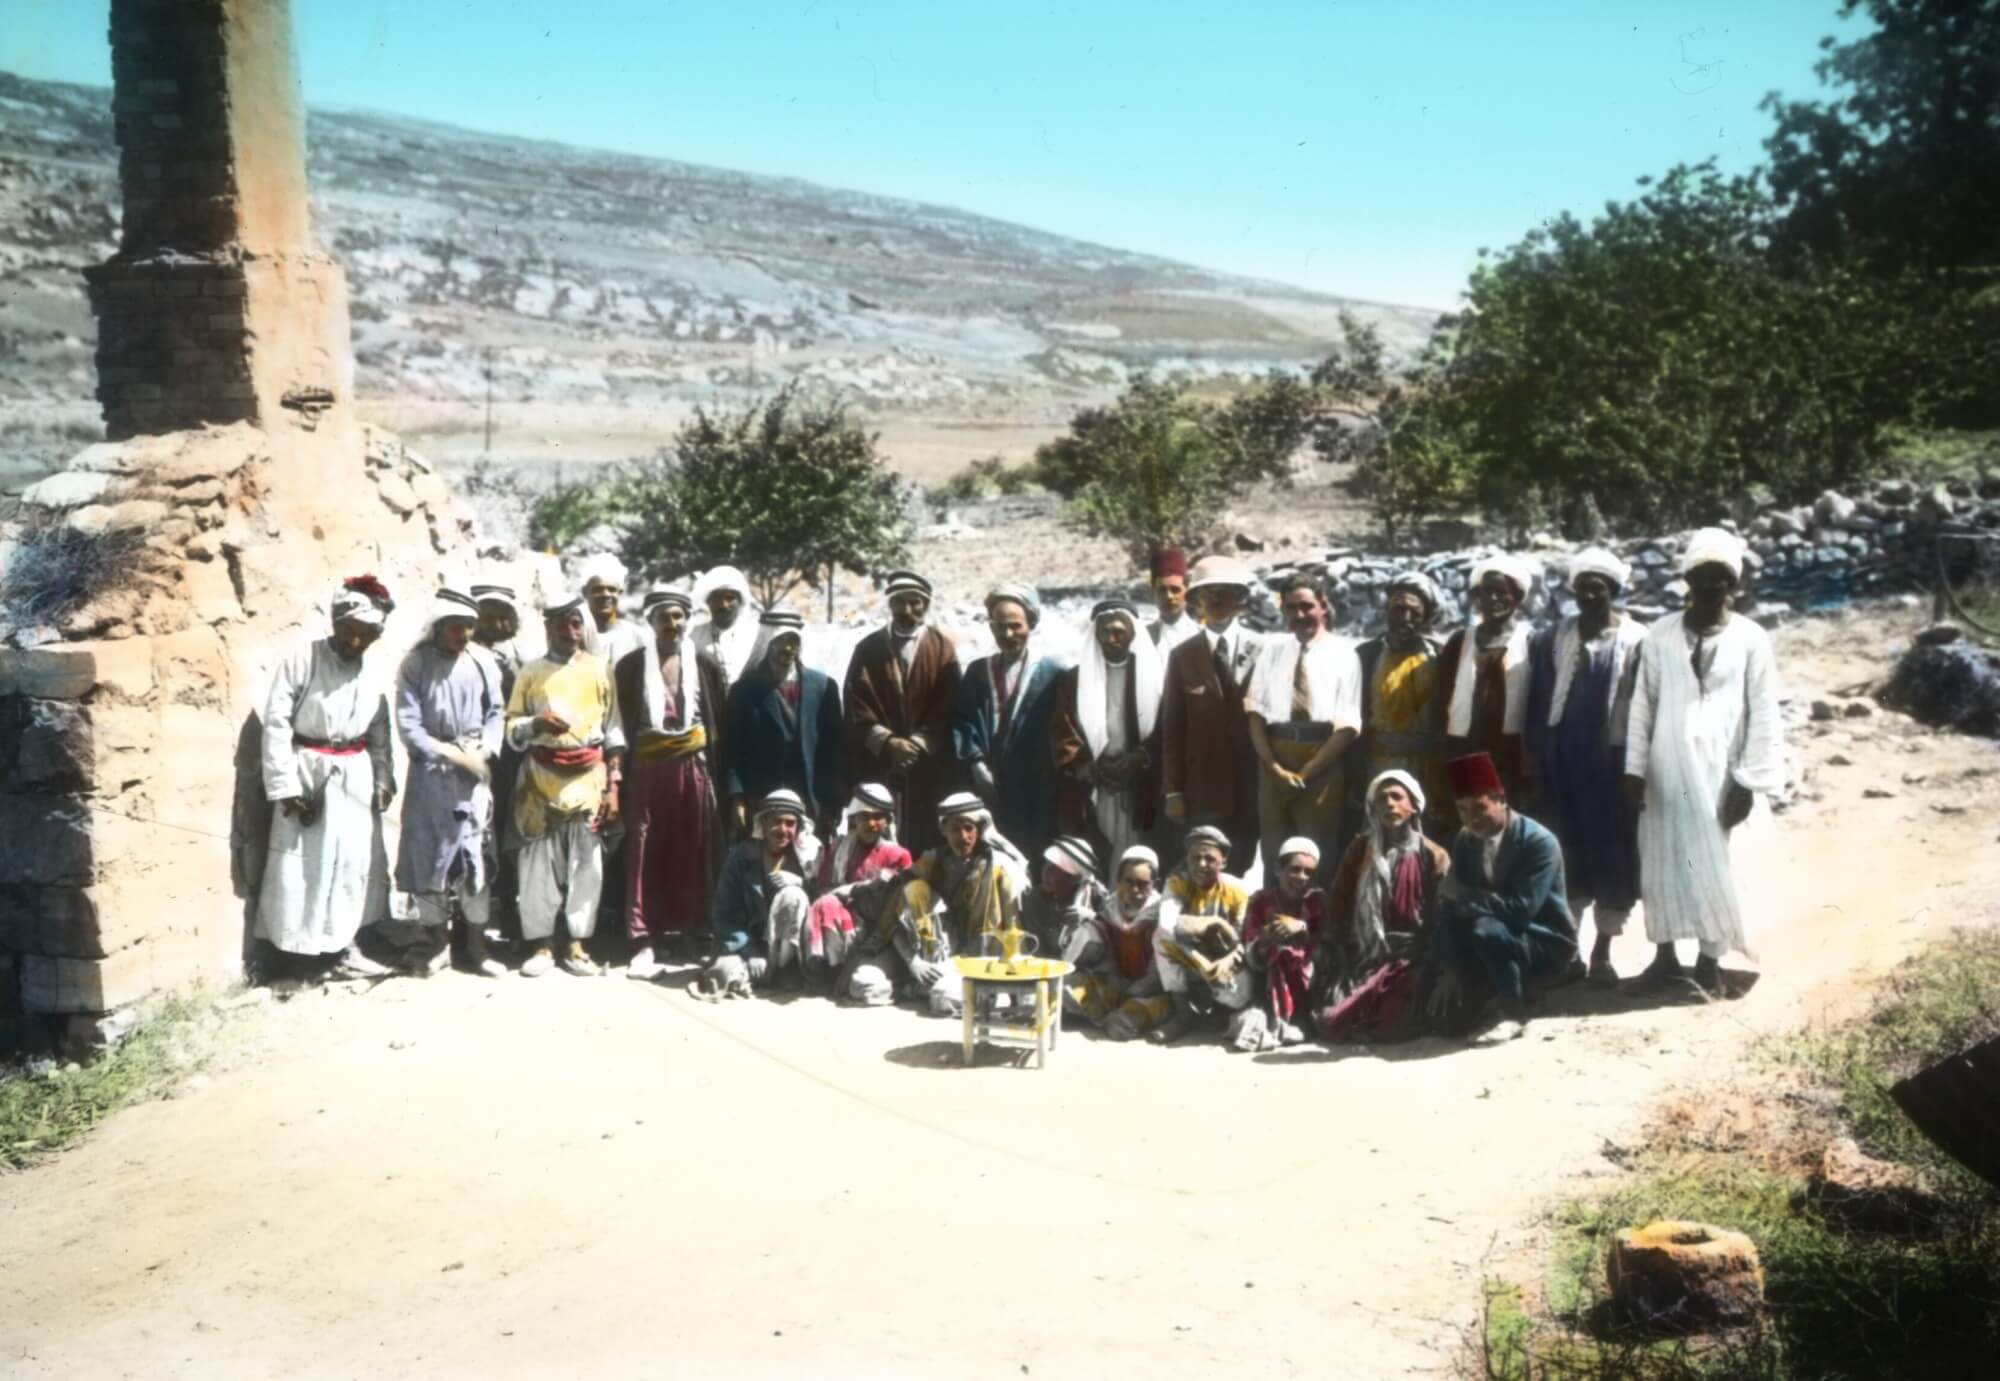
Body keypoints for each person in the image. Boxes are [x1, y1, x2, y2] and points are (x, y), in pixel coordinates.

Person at [1623, 528, 1786, 996]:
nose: (1711, 587)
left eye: (1721, 578)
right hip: (1665, 772)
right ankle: (1665, 958)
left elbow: (1764, 712)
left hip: (1721, 774)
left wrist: (1748, 781)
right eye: (1701, 577)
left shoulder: (1751, 639)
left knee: (1718, 864)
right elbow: (1642, 704)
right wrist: (1635, 769)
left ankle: (1710, 963)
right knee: (1664, 862)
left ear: (1734, 585)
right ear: (1687, 581)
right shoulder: (1660, 634)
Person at [254, 575, 397, 982]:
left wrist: (384, 778)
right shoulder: (303, 660)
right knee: (301, 868)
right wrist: (286, 786)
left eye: (366, 635)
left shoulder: (372, 672)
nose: (355, 643)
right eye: (349, 632)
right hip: (307, 774)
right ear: (336, 623)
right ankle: (295, 960)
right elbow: (277, 724)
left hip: (354, 777)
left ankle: (342, 948)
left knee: (351, 865)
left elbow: (379, 730)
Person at [1525, 548, 1646, 987]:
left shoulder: (1637, 639)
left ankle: (1603, 953)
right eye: (1582, 589)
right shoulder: (1552, 638)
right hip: (1564, 761)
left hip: (1611, 765)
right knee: (1566, 854)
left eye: (1599, 590)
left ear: (1614, 592)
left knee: (1615, 856)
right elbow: (1538, 701)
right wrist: (1537, 756)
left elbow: (1643, 706)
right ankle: (1569, 951)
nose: (1590, 597)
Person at [505, 589, 625, 978]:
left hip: (589, 778)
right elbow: (511, 725)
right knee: (537, 864)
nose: (568, 630)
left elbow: (614, 730)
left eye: (575, 623)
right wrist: (535, 724)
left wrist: (614, 785)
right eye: (560, 624)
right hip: (539, 779)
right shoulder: (531, 670)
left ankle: (576, 943)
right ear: (548, 628)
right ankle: (540, 944)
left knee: (586, 864)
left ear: (582, 628)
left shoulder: (599, 668)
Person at [389, 588, 506, 978]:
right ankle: (435, 942)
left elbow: (495, 712)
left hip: (473, 776)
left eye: (470, 627)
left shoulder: (483, 661)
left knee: (475, 858)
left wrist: (484, 751)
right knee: (430, 858)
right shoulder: (415, 664)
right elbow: (409, 727)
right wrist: (451, 754)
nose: (465, 636)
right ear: (439, 626)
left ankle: (475, 943)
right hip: (431, 776)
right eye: (457, 628)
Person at [614, 586, 729, 978]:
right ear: (650, 621)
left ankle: (690, 932)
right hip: (647, 767)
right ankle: (643, 938)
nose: (672, 624)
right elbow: (621, 724)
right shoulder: (630, 667)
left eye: (679, 617)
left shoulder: (706, 665)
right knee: (644, 849)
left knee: (693, 845)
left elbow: (717, 722)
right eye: (664, 617)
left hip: (693, 765)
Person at [1427, 752, 1575, 1044]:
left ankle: (1514, 1013)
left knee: (1486, 927)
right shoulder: (1466, 840)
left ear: (1500, 799)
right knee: (1445, 1022)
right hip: (1494, 940)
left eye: (1480, 808)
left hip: (1544, 941)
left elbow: (1522, 910)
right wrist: (1450, 969)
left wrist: (1466, 897)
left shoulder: (1538, 842)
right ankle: (1500, 992)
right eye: (1463, 810)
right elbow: (1450, 900)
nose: (1473, 819)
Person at [842, 792, 1028, 1014]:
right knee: (862, 981)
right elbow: (895, 914)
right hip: (928, 954)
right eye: (955, 829)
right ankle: (914, 985)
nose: (964, 836)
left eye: (969, 828)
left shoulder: (999, 867)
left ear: (979, 829)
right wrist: (914, 963)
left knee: (943, 997)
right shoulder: (931, 862)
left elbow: (1014, 931)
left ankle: (922, 989)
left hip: (975, 957)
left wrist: (1017, 981)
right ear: (943, 830)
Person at [1316, 770, 1451, 1043]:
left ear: (1413, 806)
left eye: (1397, 797)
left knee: (1393, 1023)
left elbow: (1444, 916)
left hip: (1411, 957)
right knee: (1331, 1020)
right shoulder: (1360, 848)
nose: (1389, 804)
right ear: (1373, 810)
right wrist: (1341, 954)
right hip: (1364, 953)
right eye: (1382, 800)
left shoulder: (1433, 854)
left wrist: (1436, 960)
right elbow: (1338, 903)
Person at [1247, 575, 1362, 882]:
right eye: (1290, 608)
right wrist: (1274, 768)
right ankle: (1269, 922)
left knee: (1318, 853)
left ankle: (1316, 925)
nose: (1299, 615)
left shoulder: (1344, 653)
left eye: (1307, 606)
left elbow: (1348, 726)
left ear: (1323, 606)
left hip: (1321, 759)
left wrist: (1306, 772)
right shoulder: (1272, 650)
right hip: (1274, 757)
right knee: (1274, 853)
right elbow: (1255, 712)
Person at [842, 570, 961, 859]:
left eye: (915, 603)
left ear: (926, 605)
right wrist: (888, 742)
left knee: (928, 845)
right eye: (899, 603)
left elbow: (951, 704)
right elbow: (856, 701)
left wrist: (919, 743)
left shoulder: (943, 649)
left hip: (928, 769)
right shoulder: (868, 648)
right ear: (890, 605)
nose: (907, 611)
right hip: (881, 765)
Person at [1161, 555, 1264, 876]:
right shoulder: (1182, 656)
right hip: (1202, 788)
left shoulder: (1264, 650)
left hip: (1251, 787)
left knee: (1242, 866)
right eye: (1208, 593)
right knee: (1203, 866)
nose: (1217, 600)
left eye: (1226, 592)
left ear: (1241, 600)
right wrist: (1174, 791)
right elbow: (1172, 729)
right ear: (1196, 602)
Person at [953, 584, 1063, 864]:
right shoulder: (979, 672)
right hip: (988, 786)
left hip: (1036, 790)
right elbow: (962, 723)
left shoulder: (1055, 674)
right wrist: (976, 764)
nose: (1008, 634)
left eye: (1016, 626)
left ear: (1032, 624)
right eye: (999, 626)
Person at [1051, 597, 1162, 869]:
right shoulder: (1073, 680)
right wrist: (1090, 766)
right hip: (1095, 783)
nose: (1112, 638)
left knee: (1137, 854)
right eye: (1105, 632)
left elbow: (1165, 726)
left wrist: (1139, 757)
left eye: (1119, 632)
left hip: (1139, 780)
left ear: (1132, 633)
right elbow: (1064, 730)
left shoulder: (1154, 676)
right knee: (1096, 852)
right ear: (1096, 635)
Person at [723, 608, 844, 836]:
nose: (788, 648)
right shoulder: (744, 690)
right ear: (767, 643)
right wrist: (737, 797)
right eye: (780, 640)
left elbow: (836, 749)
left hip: (811, 797)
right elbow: (733, 750)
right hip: (761, 796)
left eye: (793, 641)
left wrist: (834, 802)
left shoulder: (823, 687)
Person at [1353, 570, 1453, 836]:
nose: (1405, 619)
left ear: (1427, 616)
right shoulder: (1367, 655)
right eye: (1398, 609)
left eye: (1415, 612)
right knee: (1378, 832)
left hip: (1426, 766)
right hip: (1377, 762)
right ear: (1386, 610)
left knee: (1423, 835)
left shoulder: (1442, 657)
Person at [701, 788, 822, 996]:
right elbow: (723, 914)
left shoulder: (809, 860)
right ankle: (763, 971)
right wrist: (750, 952)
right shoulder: (740, 857)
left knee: (793, 895)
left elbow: (819, 909)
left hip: (790, 950)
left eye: (790, 823)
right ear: (763, 823)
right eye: (775, 821)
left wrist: (802, 883)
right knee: (722, 972)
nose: (782, 829)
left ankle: (784, 968)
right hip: (745, 944)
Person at [1440, 554, 1538, 804]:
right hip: (1464, 746)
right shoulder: (1460, 640)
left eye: (1502, 592)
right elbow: (1443, 695)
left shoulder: (1532, 642)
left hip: (1511, 752)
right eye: (1487, 592)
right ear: (1477, 597)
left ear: (1516, 598)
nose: (1494, 599)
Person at [799, 783, 914, 993]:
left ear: (887, 821)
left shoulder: (898, 855)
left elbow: (900, 907)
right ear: (853, 819)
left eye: (878, 817)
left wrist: (856, 890)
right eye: (864, 817)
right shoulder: (839, 850)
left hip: (885, 934)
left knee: (862, 985)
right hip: (848, 926)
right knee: (826, 904)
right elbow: (825, 890)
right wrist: (858, 890)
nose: (871, 823)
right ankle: (831, 970)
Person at [1148, 824, 1256, 1043]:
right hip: (1191, 958)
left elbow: (1244, 938)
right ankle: (1183, 1015)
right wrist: (1212, 923)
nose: (1201, 865)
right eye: (1195, 858)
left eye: (1209, 859)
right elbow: (1167, 926)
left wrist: (1229, 959)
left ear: (1223, 862)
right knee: (1160, 938)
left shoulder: (1238, 890)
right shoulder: (1177, 883)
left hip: (1222, 961)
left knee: (1238, 994)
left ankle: (1219, 1010)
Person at [1061, 844, 1170, 1039]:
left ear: (1155, 883)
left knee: (1121, 1024)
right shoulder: (1110, 908)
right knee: (1064, 989)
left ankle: (1114, 1015)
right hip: (1118, 982)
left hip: (1150, 991)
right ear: (1118, 881)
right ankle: (1107, 1012)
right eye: (1128, 882)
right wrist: (1113, 983)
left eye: (1143, 883)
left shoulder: (1162, 916)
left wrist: (1131, 992)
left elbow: (1158, 974)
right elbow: (1109, 954)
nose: (1135, 890)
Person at [472, 581, 529, 942]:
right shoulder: (463, 652)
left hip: (509, 756)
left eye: (501, 617)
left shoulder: (518, 656)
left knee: (508, 829)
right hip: (471, 753)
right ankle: (469, 918)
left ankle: (508, 908)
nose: (495, 625)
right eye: (487, 617)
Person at [1233, 836, 1326, 1050]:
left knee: (1292, 953)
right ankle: (1280, 1018)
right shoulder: (1260, 901)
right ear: (1277, 870)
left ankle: (1298, 1017)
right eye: (1295, 869)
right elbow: (1249, 947)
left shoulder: (1317, 899)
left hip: (1312, 974)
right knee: (1279, 951)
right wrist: (1264, 938)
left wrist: (1301, 926)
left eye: (1308, 872)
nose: (1301, 877)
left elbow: (1327, 937)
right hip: (1266, 975)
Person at [1025, 834, 1112, 959]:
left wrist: (1091, 918)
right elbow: (1037, 952)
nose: (1045, 872)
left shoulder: (1097, 897)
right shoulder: (1035, 900)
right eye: (1046, 864)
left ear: (1074, 878)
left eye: (1054, 869)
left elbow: (1113, 945)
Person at [691, 565, 760, 687]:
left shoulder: (755, 636)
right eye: (717, 597)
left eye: (730, 598)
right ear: (708, 601)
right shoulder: (694, 636)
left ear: (740, 601)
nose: (724, 604)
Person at [578, 553, 650, 667]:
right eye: (598, 589)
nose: (606, 594)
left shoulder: (638, 637)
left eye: (612, 590)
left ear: (620, 593)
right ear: (585, 592)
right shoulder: (575, 635)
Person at [1147, 546, 1200, 659]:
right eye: (1162, 590)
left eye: (1175, 590)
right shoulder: (1144, 637)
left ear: (1187, 589)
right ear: (1153, 592)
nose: (1169, 596)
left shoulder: (1201, 635)